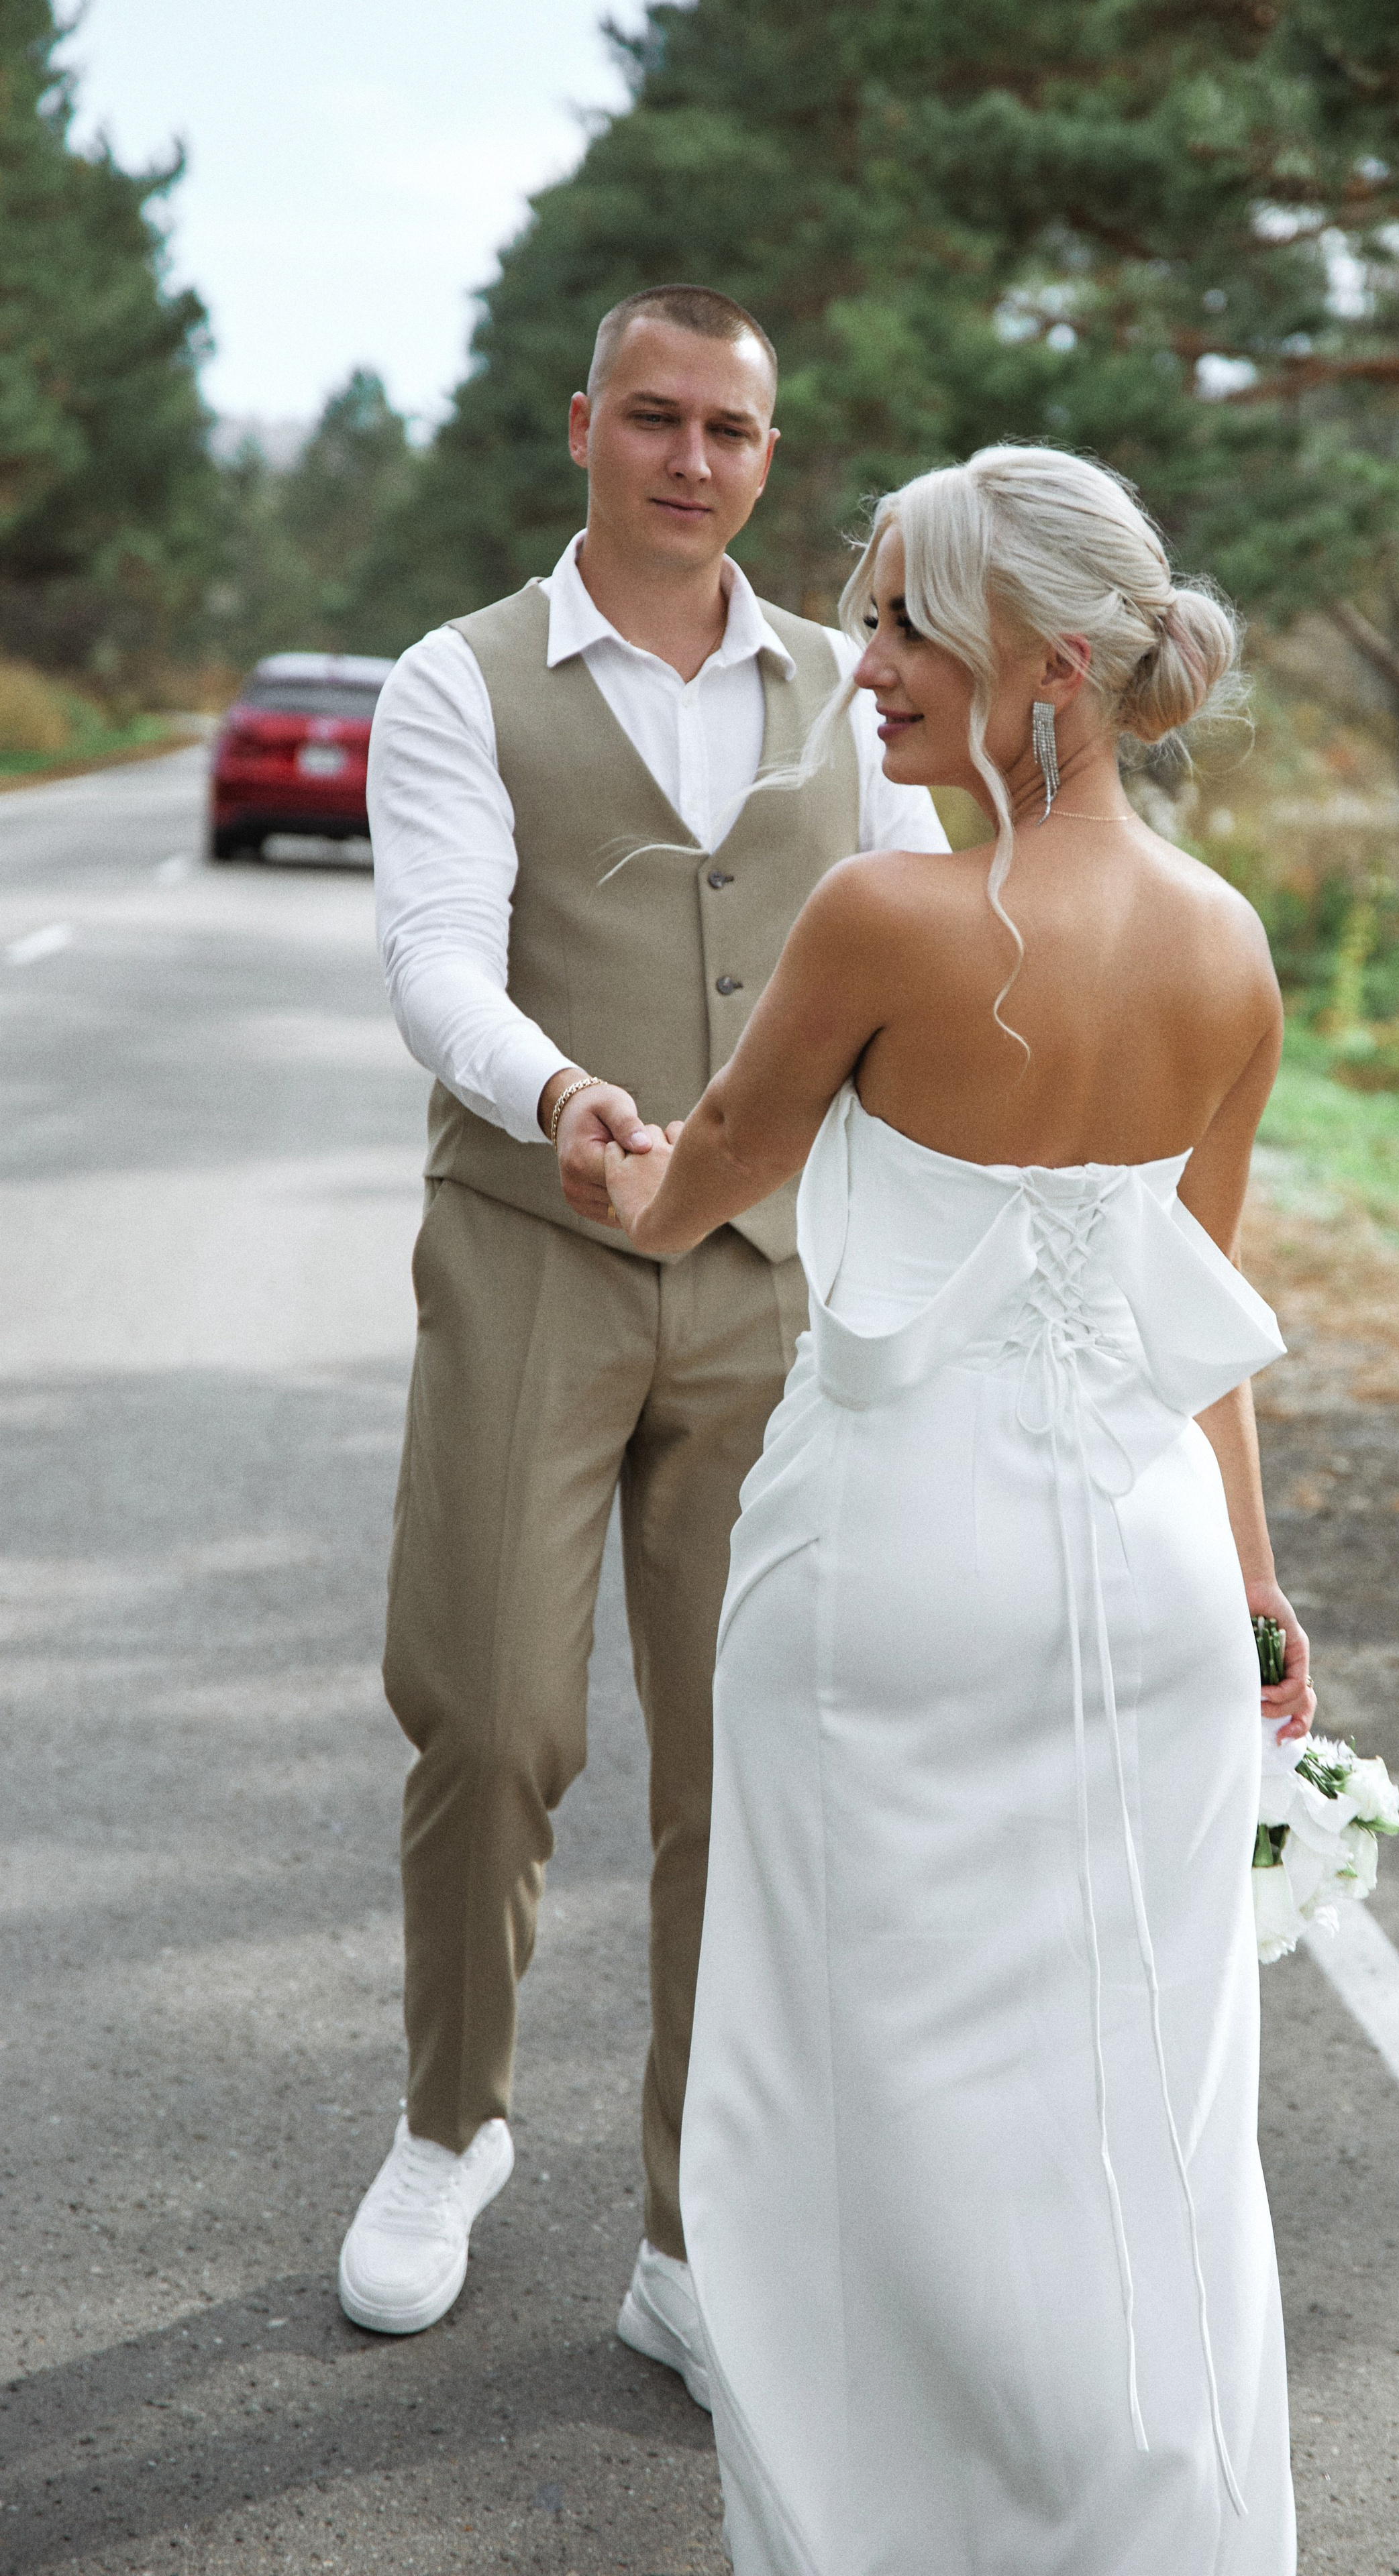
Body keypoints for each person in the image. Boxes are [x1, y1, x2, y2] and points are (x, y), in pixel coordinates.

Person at [603, 444, 1315, 2572]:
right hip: (1152, 1586)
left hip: (892, 1575)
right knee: (1148, 2119)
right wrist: (1265, 1610)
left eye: (912, 623)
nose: (868, 663)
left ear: (1056, 668)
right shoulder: (1230, 945)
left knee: (846, 2110)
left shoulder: (887, 915)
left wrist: (601, 1149)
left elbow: (690, 1188)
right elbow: (1203, 1320)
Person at [338, 285, 947, 2385]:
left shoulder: (848, 697)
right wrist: (568, 1099)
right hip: (536, 1244)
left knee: (742, 1765)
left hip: (778, 1285)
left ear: (773, 460)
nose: (698, 459)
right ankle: (451, 2124)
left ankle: (691, 2227)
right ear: (585, 426)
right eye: (659, 419)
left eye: (738, 432)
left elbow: (939, 927)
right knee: (494, 1716)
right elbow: (433, 953)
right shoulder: (458, 680)